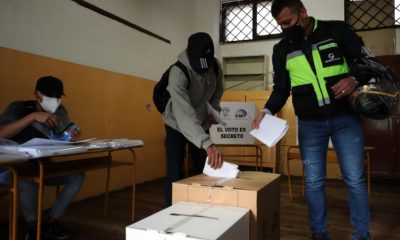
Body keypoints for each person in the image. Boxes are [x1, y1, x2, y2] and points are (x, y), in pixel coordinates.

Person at [252, 1, 372, 239]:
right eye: (280, 25)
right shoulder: (282, 49)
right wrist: (265, 112)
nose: (285, 28)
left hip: (345, 119)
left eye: (288, 22)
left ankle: (362, 234)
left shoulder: (337, 30)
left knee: (355, 179)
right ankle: (319, 233)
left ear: (303, 12)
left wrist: (353, 79)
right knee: (314, 182)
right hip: (310, 125)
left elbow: (367, 62)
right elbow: (281, 89)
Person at [0, 76, 85, 240]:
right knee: (26, 179)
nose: (55, 101)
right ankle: (33, 229)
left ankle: (51, 222)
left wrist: (73, 134)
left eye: (58, 97)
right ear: (36, 94)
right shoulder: (19, 107)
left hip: (44, 166)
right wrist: (32, 117)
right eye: (50, 96)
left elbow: (68, 131)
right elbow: (2, 133)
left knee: (77, 176)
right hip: (13, 169)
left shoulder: (59, 111)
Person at [162, 32, 224, 206]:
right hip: (176, 123)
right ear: (188, 52)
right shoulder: (178, 74)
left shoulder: (216, 67)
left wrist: (214, 109)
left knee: (205, 168)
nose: (204, 73)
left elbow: (218, 90)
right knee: (175, 171)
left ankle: (203, 207)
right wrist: (208, 144)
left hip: (202, 122)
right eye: (199, 68)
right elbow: (185, 115)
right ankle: (171, 211)